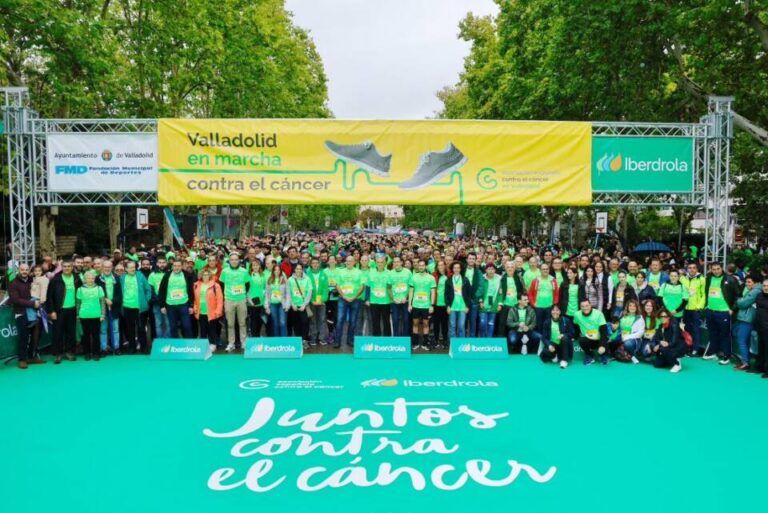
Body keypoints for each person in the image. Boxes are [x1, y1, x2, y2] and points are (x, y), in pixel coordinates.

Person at [703, 262, 740, 364]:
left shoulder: (731, 279)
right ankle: (713, 353)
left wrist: (732, 309)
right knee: (712, 334)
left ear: (722, 268)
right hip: (710, 311)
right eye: (713, 269)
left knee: (725, 335)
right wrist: (706, 306)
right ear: (711, 269)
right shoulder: (709, 278)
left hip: (724, 312)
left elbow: (738, 295)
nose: (716, 271)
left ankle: (726, 356)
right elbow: (706, 292)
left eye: (718, 269)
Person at [8, 263, 42, 368]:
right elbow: (15, 300)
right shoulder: (13, 283)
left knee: (36, 336)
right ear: (19, 270)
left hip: (35, 312)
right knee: (23, 336)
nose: (25, 271)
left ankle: (32, 356)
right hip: (21, 313)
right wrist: (32, 303)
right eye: (22, 269)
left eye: (27, 269)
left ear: (29, 270)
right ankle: (22, 359)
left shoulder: (33, 280)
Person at [48, 260, 81, 363]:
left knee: (71, 333)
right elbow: (50, 297)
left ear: (72, 267)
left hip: (72, 309)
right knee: (58, 333)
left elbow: (80, 293)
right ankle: (57, 354)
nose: (67, 268)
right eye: (65, 266)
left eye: (69, 266)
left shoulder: (76, 278)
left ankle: (69, 352)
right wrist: (52, 311)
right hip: (59, 310)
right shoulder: (56, 279)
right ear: (62, 267)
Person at [120, 261, 153, 353]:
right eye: (130, 267)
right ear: (126, 269)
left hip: (140, 308)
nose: (132, 269)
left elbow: (148, 289)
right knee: (130, 329)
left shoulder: (140, 276)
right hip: (127, 307)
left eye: (134, 267)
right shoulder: (122, 278)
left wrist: (146, 301)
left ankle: (144, 348)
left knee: (141, 328)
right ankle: (132, 348)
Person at [220, 253, 249, 352]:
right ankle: (231, 343)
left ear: (239, 261)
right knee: (230, 323)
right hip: (229, 300)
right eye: (232, 259)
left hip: (241, 300)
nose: (234, 261)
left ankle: (244, 342)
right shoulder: (225, 271)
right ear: (229, 261)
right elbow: (222, 285)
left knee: (242, 322)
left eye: (236, 259)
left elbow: (247, 284)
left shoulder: (244, 271)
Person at [158, 260, 195, 338]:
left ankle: (190, 345)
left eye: (178, 266)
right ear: (172, 267)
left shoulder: (187, 275)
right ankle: (176, 345)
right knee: (173, 327)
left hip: (184, 304)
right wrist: (162, 305)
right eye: (175, 266)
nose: (176, 268)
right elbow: (161, 290)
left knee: (187, 326)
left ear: (181, 266)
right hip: (170, 305)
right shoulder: (167, 275)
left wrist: (191, 305)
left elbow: (191, 291)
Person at [76, 271, 105, 361]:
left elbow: (102, 302)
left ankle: (96, 353)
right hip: (84, 315)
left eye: (92, 278)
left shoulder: (99, 288)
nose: (91, 280)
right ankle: (87, 353)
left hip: (96, 315)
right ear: (85, 279)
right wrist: (77, 314)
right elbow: (78, 303)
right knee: (86, 335)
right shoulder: (80, 289)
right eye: (88, 278)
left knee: (96, 335)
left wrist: (103, 314)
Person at [733, 275, 761, 370]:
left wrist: (739, 300)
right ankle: (746, 361)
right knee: (746, 341)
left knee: (741, 341)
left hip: (747, 319)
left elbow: (742, 303)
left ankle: (745, 362)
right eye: (746, 282)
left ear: (755, 282)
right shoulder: (756, 290)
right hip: (748, 319)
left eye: (749, 282)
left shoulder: (755, 291)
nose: (746, 284)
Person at [193, 268, 223, 353]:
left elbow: (220, 299)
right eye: (203, 274)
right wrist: (195, 307)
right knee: (202, 329)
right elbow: (195, 299)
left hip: (212, 312)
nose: (205, 276)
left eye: (207, 274)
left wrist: (218, 311)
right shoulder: (196, 285)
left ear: (210, 275)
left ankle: (213, 344)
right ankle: (203, 344)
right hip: (201, 311)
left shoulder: (215, 285)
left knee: (212, 329)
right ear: (201, 276)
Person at [657, 270, 688, 351]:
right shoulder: (664, 285)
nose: (673, 277)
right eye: (671, 276)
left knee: (675, 333)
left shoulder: (682, 287)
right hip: (665, 314)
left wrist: (676, 310)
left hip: (677, 314)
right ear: (669, 276)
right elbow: (659, 298)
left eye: (675, 276)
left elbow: (685, 301)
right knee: (665, 332)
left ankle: (674, 349)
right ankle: (664, 348)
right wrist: (666, 311)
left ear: (678, 277)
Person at [408, 259, 436, 350]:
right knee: (415, 323)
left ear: (426, 266)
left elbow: (433, 292)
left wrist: (431, 305)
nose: (421, 267)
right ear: (417, 266)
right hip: (415, 305)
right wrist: (409, 304)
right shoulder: (413, 277)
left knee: (426, 324)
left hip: (426, 306)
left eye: (423, 265)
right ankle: (415, 343)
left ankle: (425, 344)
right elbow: (411, 291)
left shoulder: (431, 278)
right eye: (419, 265)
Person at [97, 260, 122, 355]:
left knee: (115, 329)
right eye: (105, 267)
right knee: (103, 330)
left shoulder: (117, 278)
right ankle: (103, 349)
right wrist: (105, 300)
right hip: (102, 308)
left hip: (114, 307)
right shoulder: (97, 279)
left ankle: (116, 348)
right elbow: (96, 294)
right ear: (102, 268)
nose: (107, 269)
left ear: (112, 268)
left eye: (109, 267)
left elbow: (120, 294)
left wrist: (113, 301)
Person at [573, 299, 609, 365]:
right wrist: (575, 336)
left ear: (590, 305)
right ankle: (589, 355)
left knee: (605, 339)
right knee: (582, 340)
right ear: (580, 307)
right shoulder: (577, 315)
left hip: (599, 339)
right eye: (582, 306)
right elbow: (575, 325)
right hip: (588, 339)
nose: (585, 308)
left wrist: (602, 345)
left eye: (587, 305)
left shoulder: (599, 314)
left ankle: (603, 355)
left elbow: (604, 331)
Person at [680, 262, 706, 356]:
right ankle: (688, 347)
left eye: (694, 267)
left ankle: (695, 349)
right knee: (687, 329)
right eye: (690, 268)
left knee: (696, 329)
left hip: (695, 309)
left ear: (697, 269)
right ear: (687, 269)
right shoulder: (682, 278)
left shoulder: (702, 279)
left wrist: (699, 307)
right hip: (685, 308)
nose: (691, 269)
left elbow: (704, 294)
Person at [528, 263, 559, 333]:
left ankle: (547, 341)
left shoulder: (553, 280)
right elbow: (530, 293)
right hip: (538, 307)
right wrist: (533, 304)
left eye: (547, 269)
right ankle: (540, 340)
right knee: (539, 325)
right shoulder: (535, 280)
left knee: (548, 325)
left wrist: (555, 304)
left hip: (549, 307)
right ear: (540, 270)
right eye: (543, 269)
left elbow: (557, 293)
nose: (545, 270)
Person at [367, 255, 393, 337]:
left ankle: (386, 340)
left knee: (386, 322)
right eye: (378, 262)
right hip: (374, 301)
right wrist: (367, 299)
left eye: (382, 262)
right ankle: (376, 340)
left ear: (385, 263)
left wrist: (393, 298)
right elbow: (368, 287)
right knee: (375, 321)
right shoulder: (371, 273)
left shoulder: (389, 273)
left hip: (386, 301)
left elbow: (390, 287)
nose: (380, 264)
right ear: (375, 263)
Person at [288, 263, 313, 348]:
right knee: (296, 323)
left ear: (302, 270)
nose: (298, 270)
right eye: (297, 269)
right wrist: (292, 304)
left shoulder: (307, 279)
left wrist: (304, 305)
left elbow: (309, 292)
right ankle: (298, 340)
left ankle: (304, 340)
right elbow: (289, 293)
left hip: (303, 306)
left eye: (300, 269)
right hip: (294, 306)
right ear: (294, 270)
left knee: (305, 322)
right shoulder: (290, 280)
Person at [306, 257, 329, 345]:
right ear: (311, 264)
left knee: (322, 319)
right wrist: (312, 300)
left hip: (321, 302)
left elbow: (325, 289)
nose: (315, 264)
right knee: (312, 320)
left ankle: (322, 338)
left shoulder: (323, 274)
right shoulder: (307, 275)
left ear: (319, 264)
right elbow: (307, 289)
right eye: (313, 263)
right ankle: (313, 338)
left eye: (316, 263)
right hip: (312, 301)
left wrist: (322, 300)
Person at [446, 261, 471, 340]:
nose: (456, 269)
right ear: (452, 269)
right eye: (454, 268)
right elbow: (446, 294)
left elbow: (469, 294)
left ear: (460, 269)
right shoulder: (448, 280)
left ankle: (461, 344)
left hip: (462, 306)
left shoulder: (465, 280)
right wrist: (448, 306)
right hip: (452, 306)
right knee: (452, 326)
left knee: (461, 326)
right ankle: (453, 345)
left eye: (458, 268)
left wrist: (467, 306)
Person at [147, 257, 170, 339]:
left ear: (166, 263)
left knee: (168, 323)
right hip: (157, 304)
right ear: (156, 264)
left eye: (163, 262)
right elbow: (151, 291)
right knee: (158, 324)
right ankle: (160, 342)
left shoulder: (170, 273)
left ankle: (167, 342)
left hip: (168, 303)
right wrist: (160, 302)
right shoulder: (152, 275)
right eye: (160, 262)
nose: (162, 264)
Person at [389, 256, 411, 337]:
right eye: (394, 262)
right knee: (395, 320)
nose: (396, 263)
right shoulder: (390, 273)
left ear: (401, 262)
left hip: (405, 301)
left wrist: (407, 297)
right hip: (395, 302)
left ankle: (405, 339)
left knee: (406, 320)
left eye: (397, 261)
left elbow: (411, 286)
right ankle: (396, 338)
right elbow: (388, 287)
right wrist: (392, 298)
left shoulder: (408, 272)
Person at [477, 263, 501, 338]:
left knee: (491, 323)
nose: (491, 271)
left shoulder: (499, 279)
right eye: (489, 269)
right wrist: (480, 301)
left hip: (494, 304)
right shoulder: (482, 278)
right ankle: (482, 338)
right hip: (483, 304)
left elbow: (501, 293)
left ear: (495, 270)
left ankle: (489, 340)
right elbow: (479, 291)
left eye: (492, 269)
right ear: (486, 270)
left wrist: (500, 304)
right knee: (482, 323)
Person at [618, 299, 645, 364]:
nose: (632, 307)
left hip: (634, 339)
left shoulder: (639, 317)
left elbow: (640, 333)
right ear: (627, 307)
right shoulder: (622, 315)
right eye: (630, 306)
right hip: (622, 336)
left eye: (634, 306)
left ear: (636, 307)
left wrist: (627, 337)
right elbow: (619, 327)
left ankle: (632, 355)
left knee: (628, 344)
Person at [266, 264, 289, 337]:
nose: (277, 271)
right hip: (273, 304)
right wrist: (267, 306)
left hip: (282, 304)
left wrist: (288, 304)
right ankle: (277, 341)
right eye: (275, 270)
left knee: (282, 322)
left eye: (278, 270)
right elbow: (267, 294)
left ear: (281, 271)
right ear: (273, 271)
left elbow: (288, 293)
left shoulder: (284, 280)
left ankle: (283, 340)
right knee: (275, 323)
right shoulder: (269, 279)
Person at [751, 278, 768, 378]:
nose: (766, 288)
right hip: (759, 327)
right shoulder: (759, 296)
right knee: (761, 348)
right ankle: (759, 367)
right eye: (764, 286)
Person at [247, 258, 267, 338]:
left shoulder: (263, 275)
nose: (255, 267)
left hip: (261, 302)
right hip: (252, 302)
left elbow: (265, 288)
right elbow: (247, 289)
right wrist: (250, 300)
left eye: (257, 265)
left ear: (259, 266)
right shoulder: (248, 276)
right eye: (253, 265)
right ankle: (254, 336)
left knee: (260, 320)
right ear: (251, 267)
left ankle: (258, 335)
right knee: (253, 321)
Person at [463, 252, 482, 337]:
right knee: (462, 321)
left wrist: (474, 295)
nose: (471, 260)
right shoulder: (462, 270)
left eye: (473, 259)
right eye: (470, 258)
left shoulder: (478, 272)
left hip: (474, 300)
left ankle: (472, 339)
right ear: (467, 259)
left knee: (473, 321)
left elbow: (481, 286)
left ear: (475, 260)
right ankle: (462, 341)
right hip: (463, 300)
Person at [431, 260, 449, 347]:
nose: (441, 266)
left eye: (442, 265)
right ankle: (436, 339)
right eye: (439, 265)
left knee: (445, 323)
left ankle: (445, 340)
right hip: (436, 303)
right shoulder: (434, 275)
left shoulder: (449, 275)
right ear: (437, 267)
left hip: (446, 304)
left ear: (445, 266)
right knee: (436, 323)